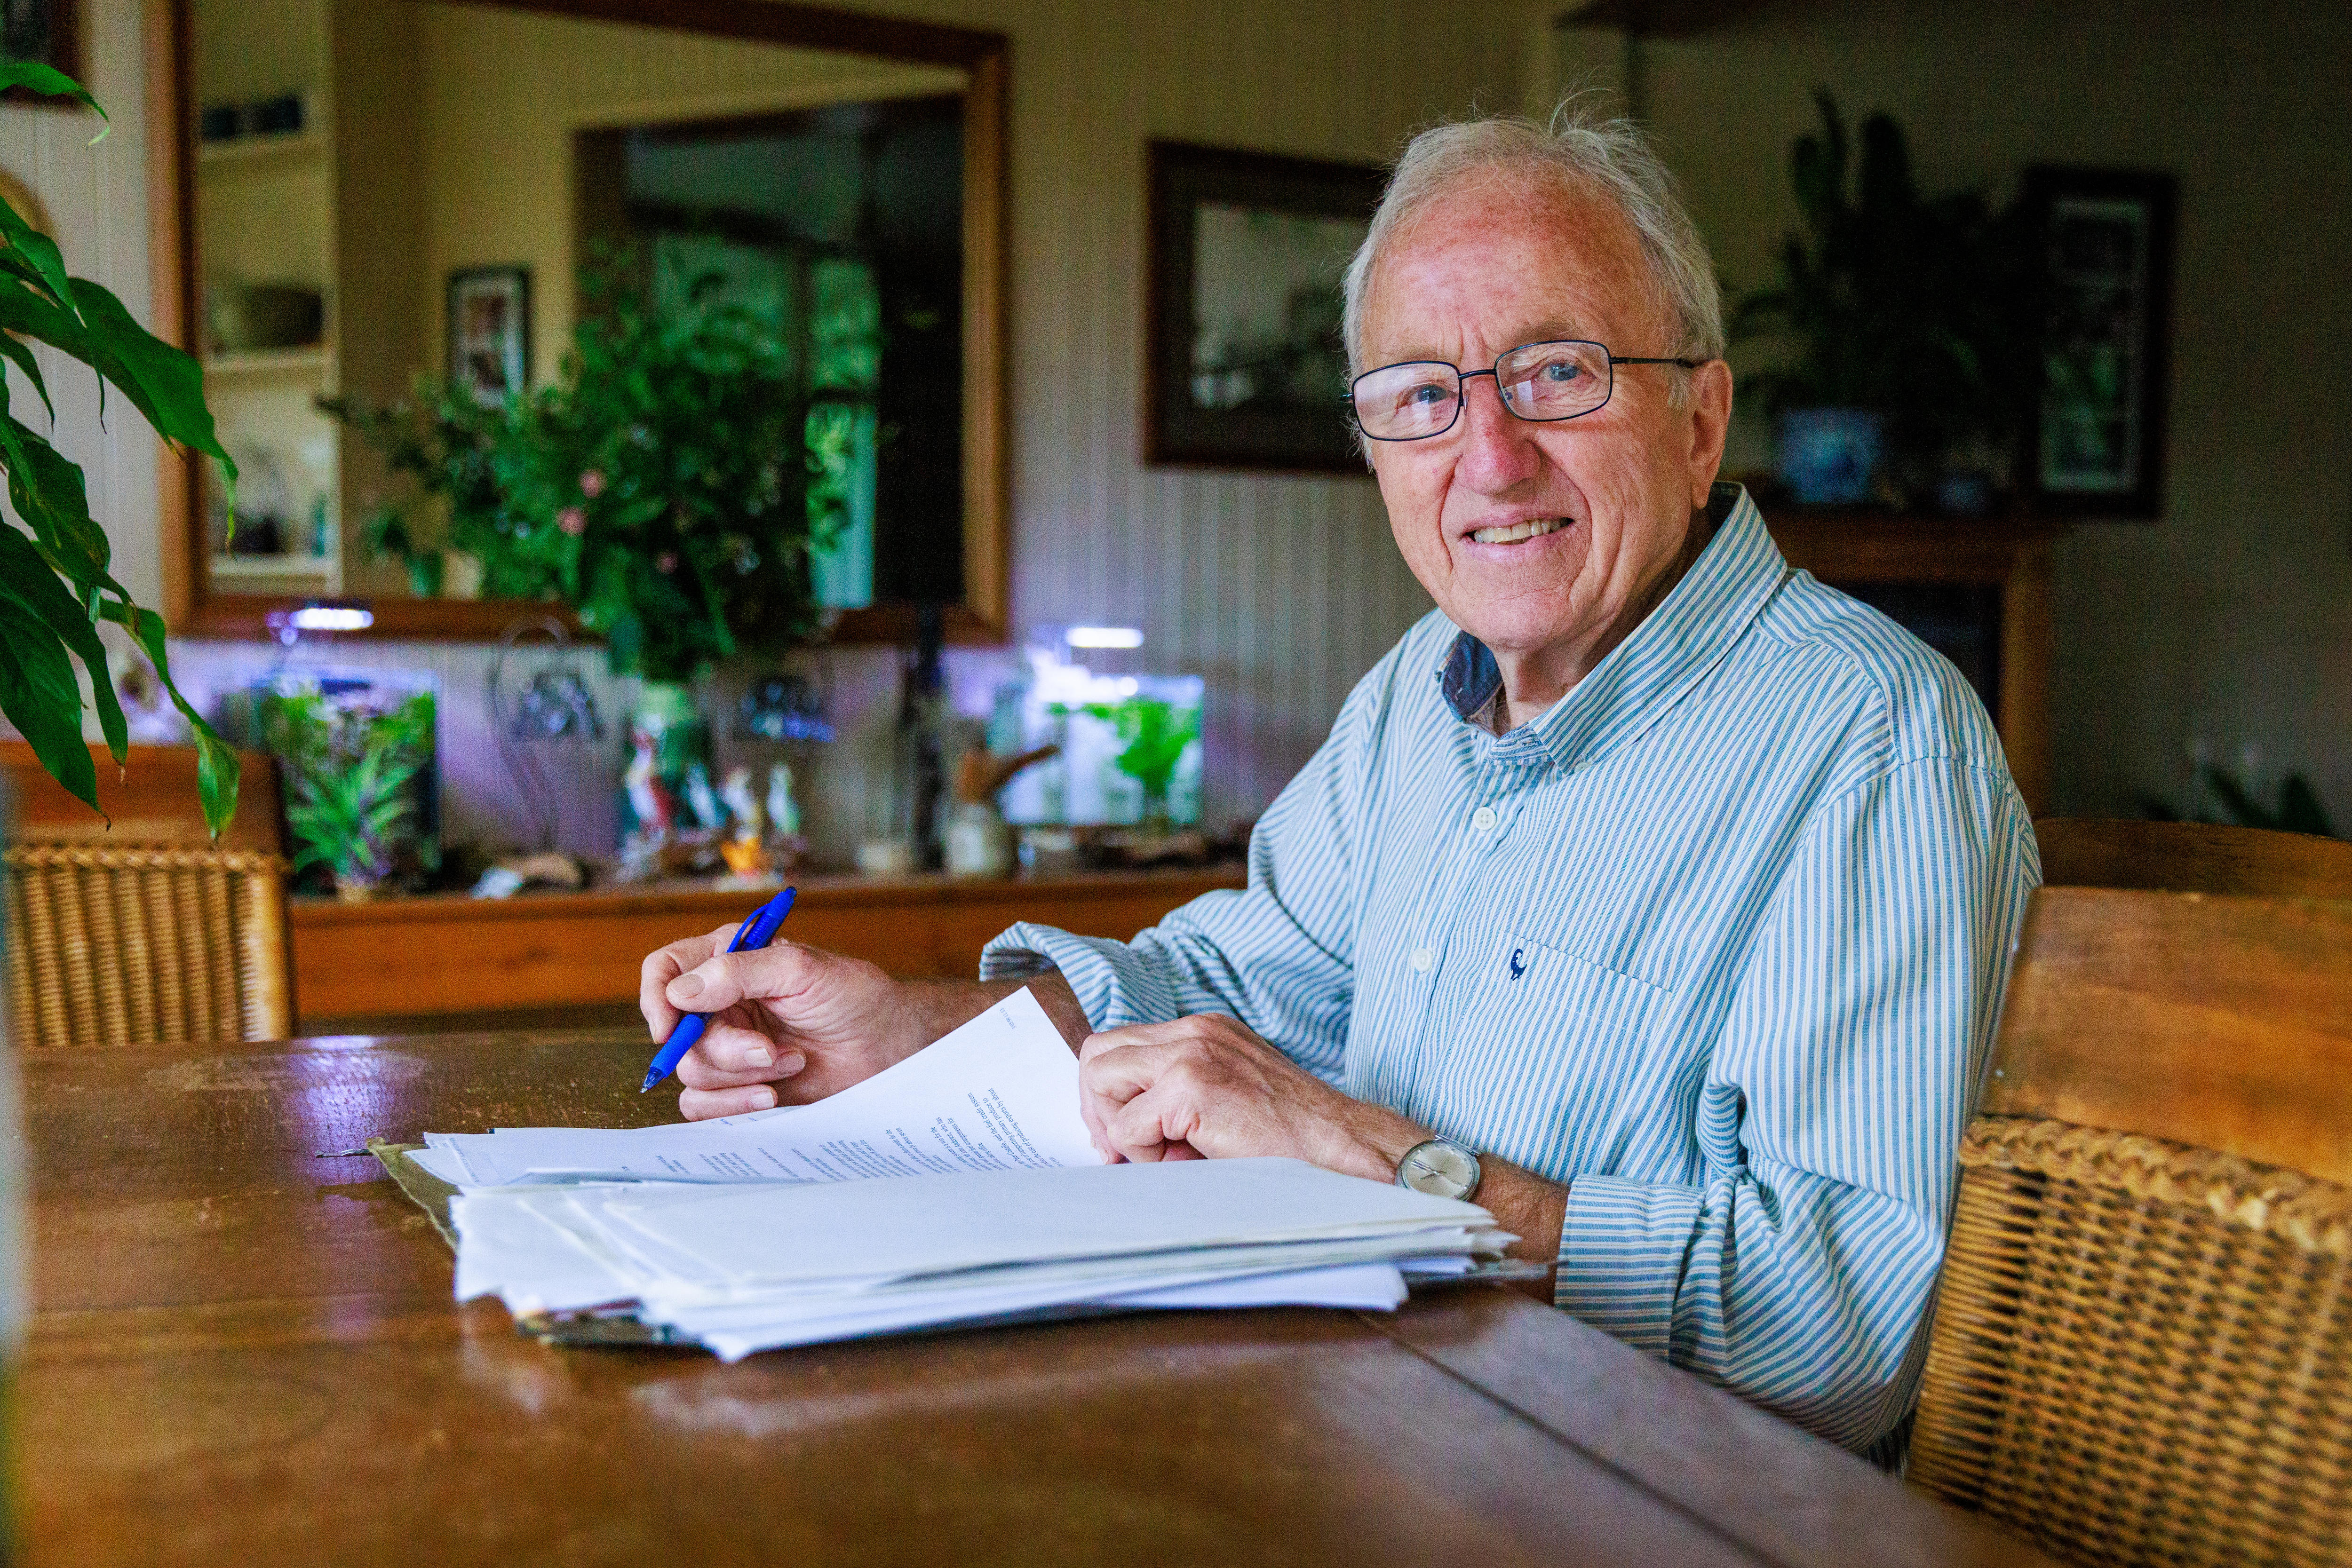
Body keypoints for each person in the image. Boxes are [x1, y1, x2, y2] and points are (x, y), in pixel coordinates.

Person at [639, 107, 2039, 1457]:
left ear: (1699, 419)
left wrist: (1372, 1161)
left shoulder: (1871, 741)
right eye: (1424, 397)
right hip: (1362, 1435)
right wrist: (912, 1038)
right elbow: (1227, 994)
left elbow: (1851, 1329)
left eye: (1558, 372)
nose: (1490, 457)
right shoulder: (1415, 700)